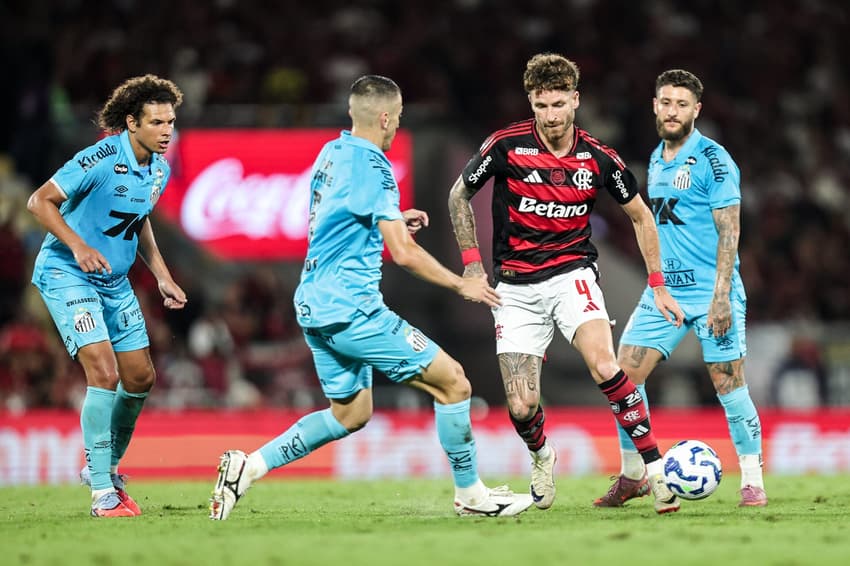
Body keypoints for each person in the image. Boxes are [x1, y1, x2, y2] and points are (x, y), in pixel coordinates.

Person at [209, 75, 534, 521]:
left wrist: (394, 218)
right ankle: (472, 496)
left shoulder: (332, 153)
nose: (398, 126)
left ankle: (249, 466)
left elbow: (338, 218)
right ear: (384, 117)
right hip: (353, 311)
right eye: (397, 118)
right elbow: (401, 253)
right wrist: (462, 284)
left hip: (313, 307)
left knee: (350, 413)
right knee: (454, 383)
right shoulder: (377, 167)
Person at [447, 53, 685, 514]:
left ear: (575, 100)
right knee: (521, 406)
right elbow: (459, 194)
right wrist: (473, 265)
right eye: (541, 106)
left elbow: (640, 215)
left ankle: (655, 471)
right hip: (514, 287)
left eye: (559, 104)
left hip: (572, 274)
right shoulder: (506, 145)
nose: (552, 116)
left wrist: (658, 284)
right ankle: (542, 456)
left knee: (604, 364)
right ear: (530, 103)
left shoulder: (597, 157)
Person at [594, 69, 768, 508]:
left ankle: (751, 480)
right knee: (623, 377)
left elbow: (730, 232)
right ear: (655, 105)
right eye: (666, 102)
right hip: (665, 293)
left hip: (713, 292)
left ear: (697, 111)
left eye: (682, 104)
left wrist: (723, 296)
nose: (673, 111)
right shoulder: (656, 157)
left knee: (728, 385)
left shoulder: (714, 160)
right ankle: (635, 475)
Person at [27, 74, 187, 517]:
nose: (166, 130)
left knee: (140, 378)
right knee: (104, 371)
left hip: (114, 281)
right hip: (68, 273)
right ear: (131, 123)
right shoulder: (99, 156)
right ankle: (102, 494)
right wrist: (77, 246)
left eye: (170, 121)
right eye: (156, 122)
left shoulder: (159, 168)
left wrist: (162, 275)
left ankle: (105, 467)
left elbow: (140, 221)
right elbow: (39, 202)